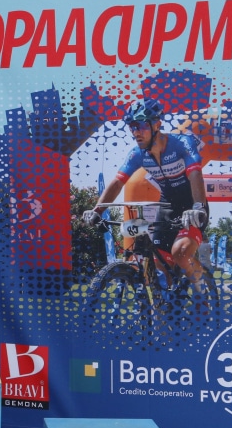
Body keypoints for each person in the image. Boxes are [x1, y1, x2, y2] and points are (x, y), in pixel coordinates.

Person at [83, 98, 210, 295]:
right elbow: (118, 182)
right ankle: (166, 306)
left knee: (180, 253)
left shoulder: (182, 143)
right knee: (160, 267)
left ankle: (204, 294)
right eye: (132, 127)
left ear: (156, 124)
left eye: (141, 125)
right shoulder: (138, 154)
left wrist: (198, 206)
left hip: (191, 205)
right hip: (167, 207)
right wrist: (98, 210)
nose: (136, 132)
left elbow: (195, 174)